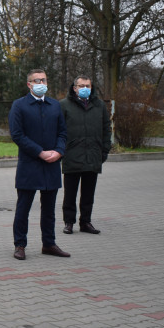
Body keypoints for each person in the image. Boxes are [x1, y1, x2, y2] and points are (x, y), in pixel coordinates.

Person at [9, 68, 70, 260]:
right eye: (37, 81)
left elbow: (63, 132)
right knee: (23, 208)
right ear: (29, 84)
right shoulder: (19, 105)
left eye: (43, 80)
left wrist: (59, 151)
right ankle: (20, 245)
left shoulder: (55, 105)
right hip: (30, 164)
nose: (41, 84)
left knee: (49, 209)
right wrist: (40, 152)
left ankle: (49, 244)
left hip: (52, 164)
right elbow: (17, 135)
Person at [59, 75, 112, 235]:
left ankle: (86, 222)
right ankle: (69, 222)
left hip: (93, 156)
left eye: (87, 86)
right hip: (72, 156)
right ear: (74, 88)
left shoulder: (99, 105)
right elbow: (58, 130)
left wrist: (104, 150)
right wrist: (61, 151)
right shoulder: (64, 105)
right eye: (81, 86)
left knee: (88, 194)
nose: (84, 89)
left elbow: (106, 128)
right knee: (70, 194)